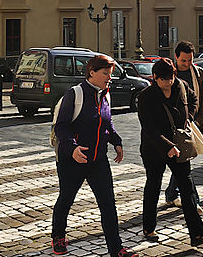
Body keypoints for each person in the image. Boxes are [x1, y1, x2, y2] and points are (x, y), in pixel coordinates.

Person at [51, 54, 136, 257]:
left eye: (111, 74)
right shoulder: (75, 94)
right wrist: (73, 148)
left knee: (108, 204)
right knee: (66, 199)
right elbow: (61, 127)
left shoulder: (105, 94)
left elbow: (107, 123)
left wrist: (116, 141)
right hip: (73, 159)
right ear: (92, 72)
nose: (109, 78)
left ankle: (116, 249)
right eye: (105, 73)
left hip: (98, 159)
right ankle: (58, 236)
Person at [137, 59, 203, 247]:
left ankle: (197, 234)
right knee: (153, 186)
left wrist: (190, 117)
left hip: (180, 147)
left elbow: (194, 99)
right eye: (164, 79)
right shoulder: (146, 96)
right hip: (155, 149)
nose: (168, 82)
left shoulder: (181, 86)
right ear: (155, 78)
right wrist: (167, 146)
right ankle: (149, 227)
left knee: (187, 189)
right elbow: (149, 128)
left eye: (170, 78)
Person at [164, 41, 203, 213]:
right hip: (174, 126)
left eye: (190, 60)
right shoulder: (169, 73)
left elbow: (200, 99)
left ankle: (170, 193)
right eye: (184, 61)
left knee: (184, 161)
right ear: (176, 58)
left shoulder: (198, 74)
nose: (187, 64)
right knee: (183, 163)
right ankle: (193, 202)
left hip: (193, 124)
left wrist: (197, 119)